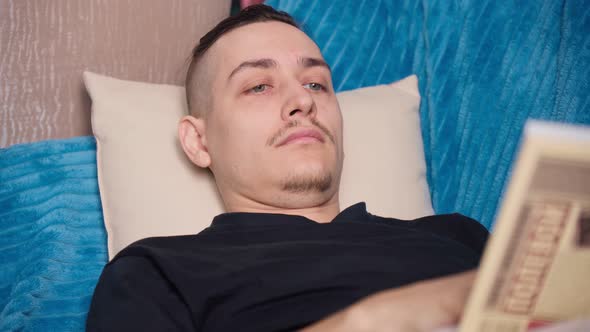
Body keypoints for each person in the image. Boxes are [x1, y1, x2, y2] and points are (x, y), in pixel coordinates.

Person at [86, 5, 488, 332]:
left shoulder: (458, 236)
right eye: (258, 86)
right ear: (198, 141)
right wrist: (368, 321)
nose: (303, 101)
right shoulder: (157, 272)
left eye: (316, 84)